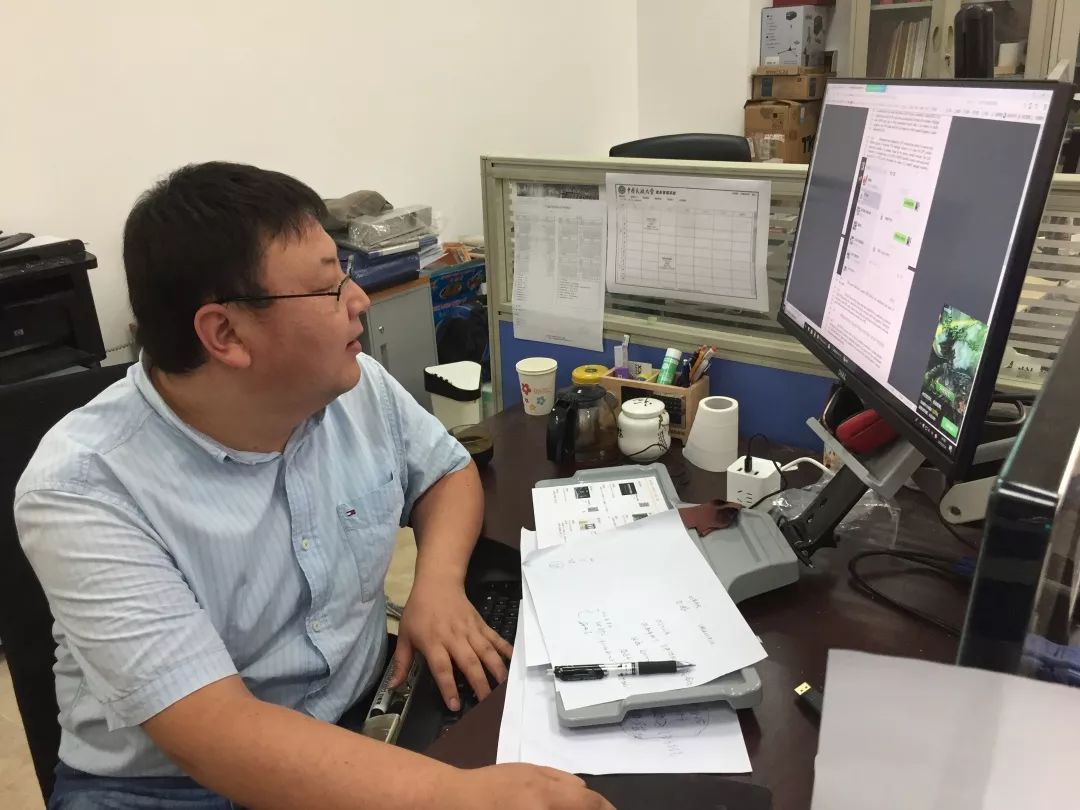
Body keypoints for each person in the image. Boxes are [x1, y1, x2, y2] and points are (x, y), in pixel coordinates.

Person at [15, 162, 613, 810]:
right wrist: (463, 797)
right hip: (169, 786)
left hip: (360, 713)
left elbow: (446, 471)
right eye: (329, 287)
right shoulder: (84, 488)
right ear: (225, 333)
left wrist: (437, 585)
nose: (359, 301)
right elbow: (216, 734)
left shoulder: (351, 385)